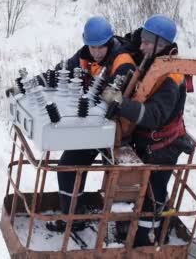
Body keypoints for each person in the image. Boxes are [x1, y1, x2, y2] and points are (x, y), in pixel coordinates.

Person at [101, 14, 188, 246]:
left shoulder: (172, 76)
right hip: (147, 142)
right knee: (138, 188)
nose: (142, 45)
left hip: (163, 146)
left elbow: (153, 116)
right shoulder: (153, 60)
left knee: (153, 193)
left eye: (147, 41)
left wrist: (120, 103)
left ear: (162, 44)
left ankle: (146, 241)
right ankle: (130, 228)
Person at [46, 16, 136, 233]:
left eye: (100, 47)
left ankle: (128, 229)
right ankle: (73, 219)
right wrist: (41, 80)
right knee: (68, 168)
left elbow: (115, 97)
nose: (95, 52)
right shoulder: (86, 55)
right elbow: (64, 69)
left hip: (119, 132)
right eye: (92, 46)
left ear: (109, 42)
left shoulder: (122, 63)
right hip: (94, 127)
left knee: (123, 181)